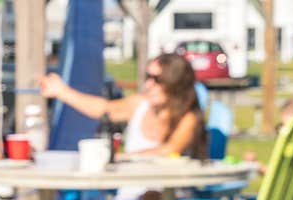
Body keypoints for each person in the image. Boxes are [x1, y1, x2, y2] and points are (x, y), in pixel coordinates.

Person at [40, 53, 203, 158]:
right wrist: (62, 92)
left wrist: (122, 158)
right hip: (129, 194)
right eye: (148, 77)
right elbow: (102, 109)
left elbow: (169, 150)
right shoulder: (139, 104)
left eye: (157, 79)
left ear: (175, 83)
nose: (148, 84)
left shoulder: (189, 117)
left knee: (151, 196)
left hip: (169, 195)